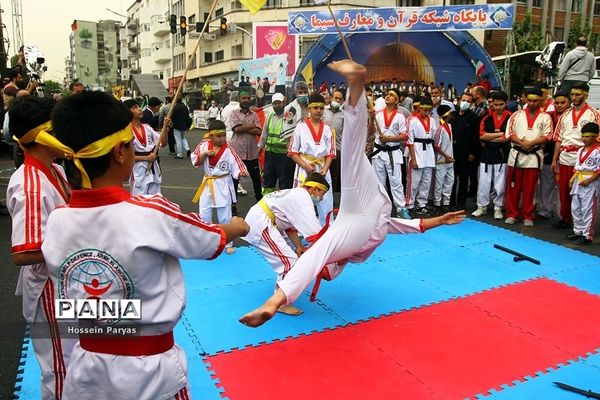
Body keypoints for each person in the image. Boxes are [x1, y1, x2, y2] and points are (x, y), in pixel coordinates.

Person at [41, 91, 249, 399]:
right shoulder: (150, 212)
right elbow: (208, 239)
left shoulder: (57, 220)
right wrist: (236, 226)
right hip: (149, 373)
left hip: (85, 367)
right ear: (120, 153)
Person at [239, 59, 465, 328]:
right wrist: (440, 220)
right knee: (353, 156)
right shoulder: (365, 232)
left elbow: (411, 226)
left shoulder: (351, 238)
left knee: (353, 155)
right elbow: (411, 226)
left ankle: (356, 84)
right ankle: (356, 84)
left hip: (360, 211)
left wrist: (440, 221)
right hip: (365, 208)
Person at [6, 96, 75, 400]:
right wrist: (79, 247)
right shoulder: (30, 185)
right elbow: (24, 252)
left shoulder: (56, 172)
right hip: (49, 288)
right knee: (60, 368)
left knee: (78, 359)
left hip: (69, 283)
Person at [242, 172, 330, 316]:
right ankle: (280, 303)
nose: (321, 198)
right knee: (288, 262)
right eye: (322, 193)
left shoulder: (296, 194)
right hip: (261, 222)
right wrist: (331, 248)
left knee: (290, 258)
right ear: (314, 189)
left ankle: (281, 294)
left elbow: (289, 225)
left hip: (264, 219)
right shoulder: (303, 197)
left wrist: (298, 247)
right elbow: (316, 233)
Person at [191, 120, 248, 254]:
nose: (222, 138)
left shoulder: (229, 151)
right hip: (207, 183)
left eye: (224, 135)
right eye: (219, 136)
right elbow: (194, 160)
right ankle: (206, 242)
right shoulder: (204, 145)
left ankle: (228, 243)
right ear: (211, 136)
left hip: (223, 184)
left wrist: (241, 173)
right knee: (204, 214)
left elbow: (238, 166)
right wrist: (204, 154)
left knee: (224, 216)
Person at [551, 83, 600, 228]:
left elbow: (597, 139)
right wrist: (555, 159)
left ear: (585, 95)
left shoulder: (594, 114)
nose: (574, 97)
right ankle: (565, 218)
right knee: (564, 191)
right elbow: (558, 139)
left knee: (582, 195)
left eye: (577, 94)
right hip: (565, 157)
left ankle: (582, 225)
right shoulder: (565, 114)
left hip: (584, 159)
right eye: (572, 95)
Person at [504, 87, 553, 226]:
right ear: (525, 99)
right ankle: (512, 213)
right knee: (513, 187)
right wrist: (522, 143)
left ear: (540, 101)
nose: (532, 103)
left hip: (534, 156)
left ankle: (528, 215)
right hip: (517, 155)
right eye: (530, 100)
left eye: (535, 101)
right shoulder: (516, 115)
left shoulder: (545, 117)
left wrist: (531, 143)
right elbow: (509, 134)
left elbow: (548, 135)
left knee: (530, 188)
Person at [288, 92, 336, 225]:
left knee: (325, 201)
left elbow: (331, 153)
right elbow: (292, 151)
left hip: (322, 168)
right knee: (301, 201)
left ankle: (327, 229)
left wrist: (325, 169)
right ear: (309, 109)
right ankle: (301, 231)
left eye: (321, 108)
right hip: (305, 167)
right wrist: (306, 166)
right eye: (315, 108)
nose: (319, 111)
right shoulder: (300, 128)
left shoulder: (328, 129)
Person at [370, 89, 410, 219]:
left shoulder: (400, 117)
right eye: (387, 94)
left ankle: (401, 208)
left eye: (392, 95)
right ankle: (380, 208)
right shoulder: (377, 114)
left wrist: (389, 139)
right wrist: (371, 119)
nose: (388, 96)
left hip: (393, 153)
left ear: (397, 100)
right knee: (378, 182)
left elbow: (405, 136)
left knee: (396, 182)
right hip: (378, 152)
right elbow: (371, 132)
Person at [472, 90, 511, 220]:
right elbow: (482, 135)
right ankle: (481, 206)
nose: (498, 107)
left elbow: (508, 137)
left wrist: (491, 137)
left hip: (502, 154)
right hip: (487, 154)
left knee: (500, 184)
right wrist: (500, 134)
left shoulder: (511, 117)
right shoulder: (486, 118)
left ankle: (498, 207)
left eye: (501, 104)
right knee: (483, 182)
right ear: (492, 104)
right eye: (495, 104)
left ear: (506, 103)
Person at [537, 90, 570, 219]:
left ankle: (564, 215)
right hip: (548, 155)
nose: (559, 105)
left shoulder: (571, 117)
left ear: (568, 103)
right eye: (557, 103)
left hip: (567, 156)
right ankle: (545, 210)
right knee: (546, 184)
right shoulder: (547, 116)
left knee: (565, 188)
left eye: (563, 103)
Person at [567, 122, 600, 245]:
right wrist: (572, 179)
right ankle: (578, 231)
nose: (584, 138)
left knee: (588, 209)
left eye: (587, 136)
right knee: (575, 207)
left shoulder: (598, 150)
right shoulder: (581, 149)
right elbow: (577, 167)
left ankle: (587, 235)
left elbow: (599, 169)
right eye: (583, 136)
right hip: (578, 180)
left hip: (591, 182)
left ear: (595, 136)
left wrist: (589, 180)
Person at [230, 88, 263, 201]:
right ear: (239, 99)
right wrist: (251, 126)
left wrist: (243, 127)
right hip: (237, 153)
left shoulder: (254, 114)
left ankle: (259, 201)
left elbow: (259, 131)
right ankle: (232, 204)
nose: (246, 100)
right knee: (234, 179)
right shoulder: (234, 113)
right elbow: (236, 129)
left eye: (248, 98)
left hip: (252, 153)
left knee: (256, 179)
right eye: (244, 98)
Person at [406, 96, 438, 215]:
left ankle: (421, 204)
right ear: (419, 108)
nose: (427, 112)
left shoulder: (433, 121)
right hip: (417, 150)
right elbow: (410, 142)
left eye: (429, 110)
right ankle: (409, 204)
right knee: (414, 181)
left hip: (428, 151)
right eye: (425, 110)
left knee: (426, 181)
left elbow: (434, 138)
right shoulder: (412, 120)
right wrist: (413, 159)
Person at [259, 93, 295, 194]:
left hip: (285, 155)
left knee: (285, 182)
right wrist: (260, 147)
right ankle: (267, 202)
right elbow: (264, 134)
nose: (277, 105)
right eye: (275, 103)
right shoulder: (270, 116)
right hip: (270, 155)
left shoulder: (289, 116)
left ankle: (284, 204)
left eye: (279, 103)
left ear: (284, 103)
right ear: (272, 104)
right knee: (268, 180)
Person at [124, 99, 162, 195]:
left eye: (139, 106)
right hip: (138, 172)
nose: (140, 109)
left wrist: (166, 127)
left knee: (155, 203)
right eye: (135, 107)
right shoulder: (125, 132)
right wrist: (146, 157)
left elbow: (162, 142)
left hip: (153, 171)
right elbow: (125, 156)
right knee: (138, 204)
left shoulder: (147, 128)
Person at [450, 92, 480, 210]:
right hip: (451, 152)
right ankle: (450, 201)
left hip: (466, 152)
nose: (465, 103)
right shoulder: (452, 115)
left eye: (468, 101)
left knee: (463, 179)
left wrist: (472, 153)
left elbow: (475, 137)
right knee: (451, 178)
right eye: (463, 100)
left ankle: (461, 203)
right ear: (459, 100)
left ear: (471, 103)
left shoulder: (474, 117)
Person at [432, 104, 455, 213]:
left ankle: (446, 202)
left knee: (449, 181)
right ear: (447, 114)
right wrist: (446, 156)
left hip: (450, 160)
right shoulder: (440, 128)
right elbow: (436, 145)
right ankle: (437, 203)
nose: (451, 115)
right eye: (450, 113)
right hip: (442, 160)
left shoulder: (449, 126)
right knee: (439, 182)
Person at [323, 90, 345, 193]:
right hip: (323, 148)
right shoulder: (322, 111)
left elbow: (345, 132)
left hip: (337, 148)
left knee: (334, 175)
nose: (338, 100)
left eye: (340, 99)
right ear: (331, 98)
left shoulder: (344, 114)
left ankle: (331, 196)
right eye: (336, 98)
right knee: (323, 172)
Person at [171, 95, 191, 159]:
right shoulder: (185, 107)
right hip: (184, 125)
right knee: (183, 138)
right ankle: (187, 149)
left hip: (177, 125)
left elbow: (173, 117)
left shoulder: (175, 107)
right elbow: (188, 117)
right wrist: (188, 125)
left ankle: (179, 154)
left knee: (178, 140)